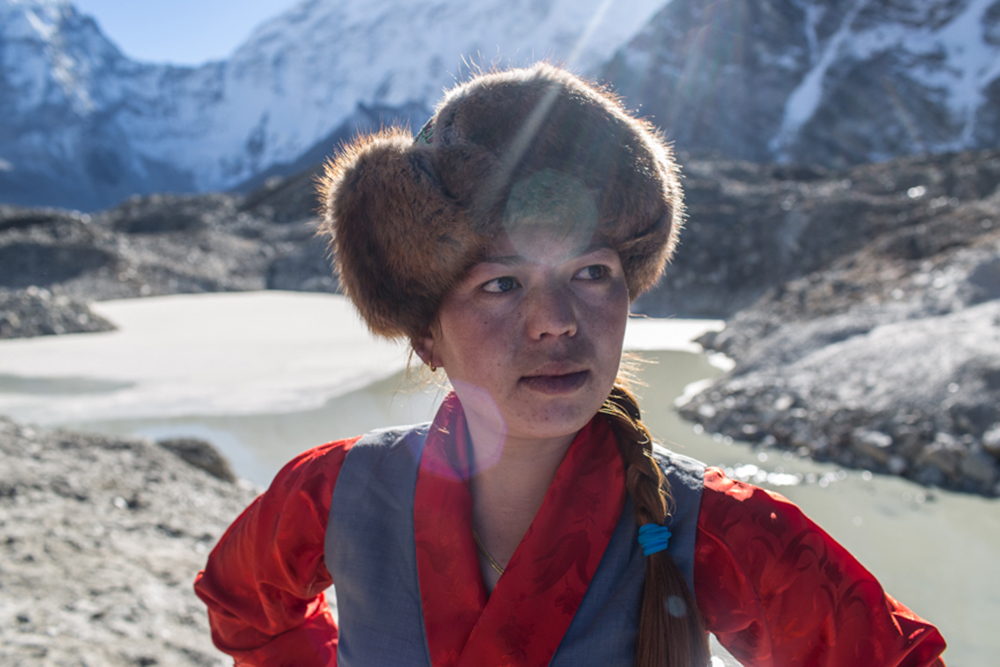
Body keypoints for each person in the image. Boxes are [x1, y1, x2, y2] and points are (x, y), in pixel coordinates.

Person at [194, 63, 947, 667]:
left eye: (591, 272)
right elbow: (244, 606)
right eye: (501, 283)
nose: (557, 320)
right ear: (426, 335)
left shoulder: (710, 526)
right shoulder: (331, 495)